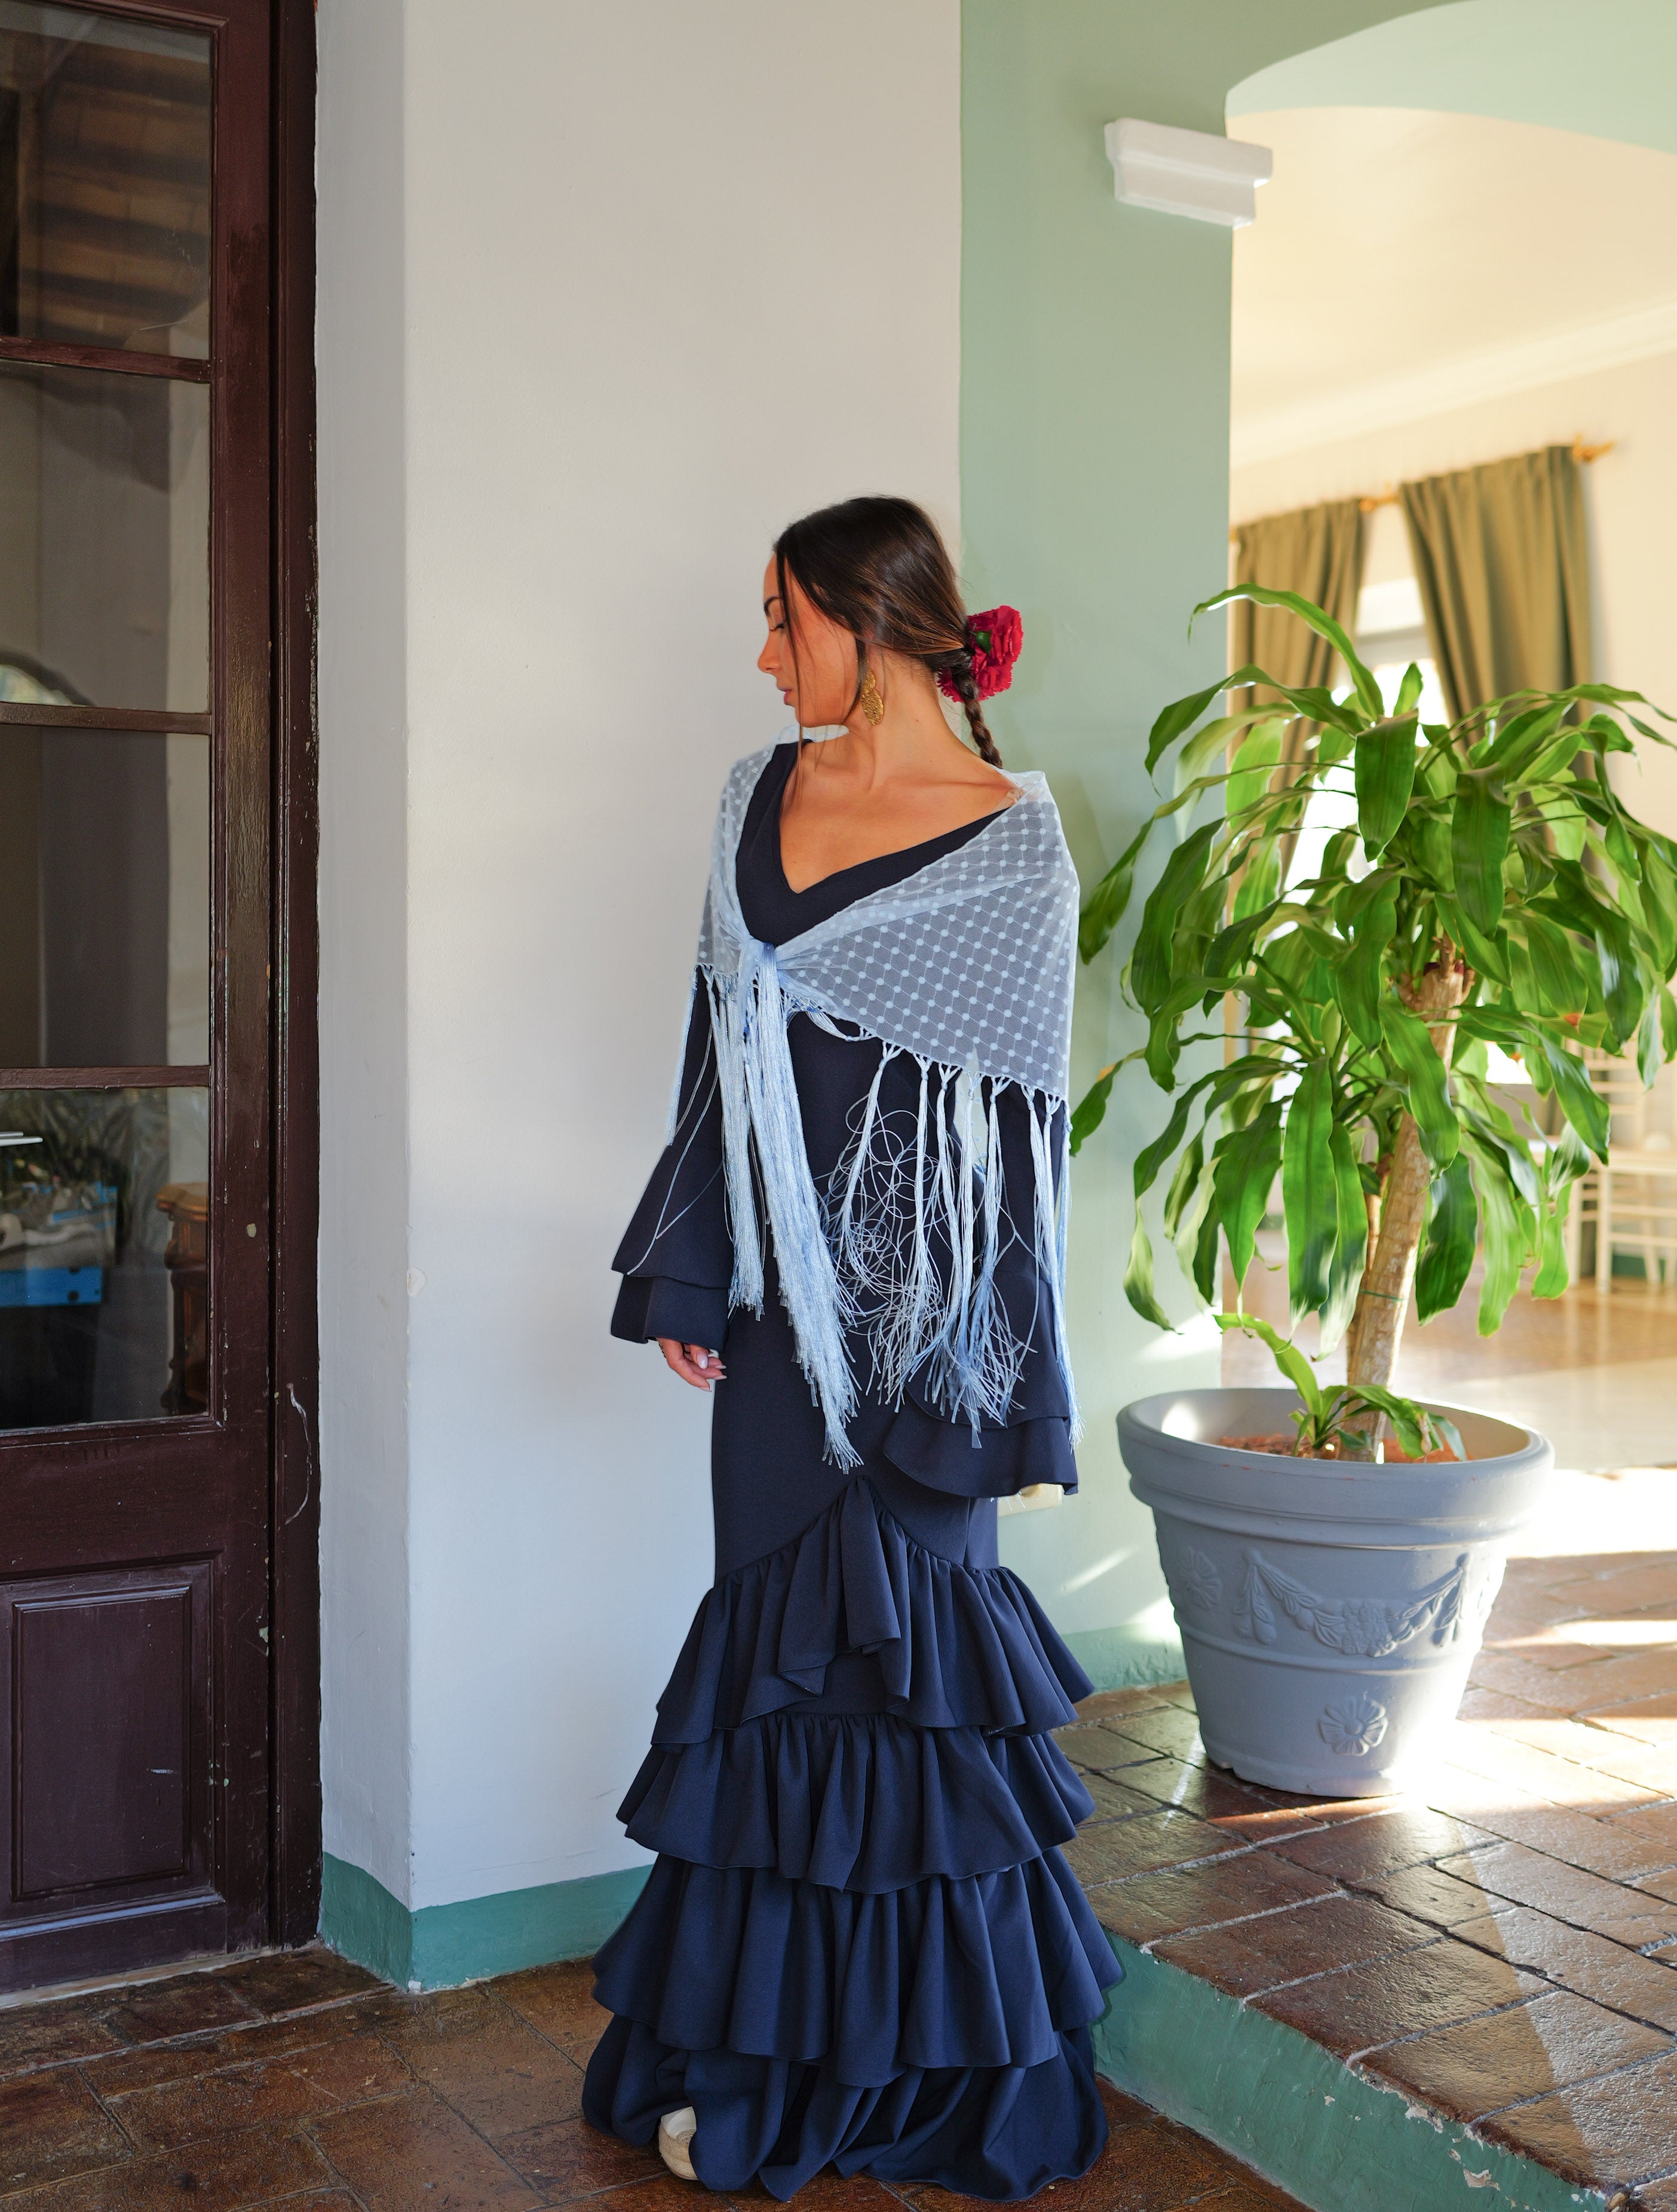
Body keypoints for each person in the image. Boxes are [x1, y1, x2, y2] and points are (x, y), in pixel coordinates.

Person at [582, 497, 1120, 2199]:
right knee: (774, 1681)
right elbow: (714, 1046)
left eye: (777, 619)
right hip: (771, 1325)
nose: (760, 654)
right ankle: (759, 2057)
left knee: (920, 1696)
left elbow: (1016, 1153)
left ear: (865, 623)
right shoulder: (756, 794)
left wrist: (999, 1380)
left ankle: (926, 2086)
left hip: (924, 1347)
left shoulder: (1019, 846)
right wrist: (689, 1273)